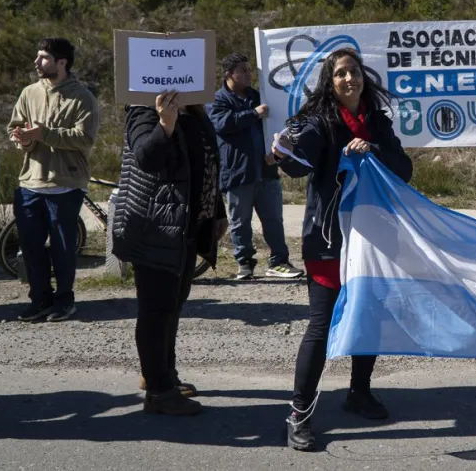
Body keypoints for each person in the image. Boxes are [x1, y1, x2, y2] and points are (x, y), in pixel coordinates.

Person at [273, 48, 412, 452]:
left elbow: (403, 169)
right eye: (340, 74)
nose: (349, 79)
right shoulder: (320, 121)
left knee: (368, 316)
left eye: (354, 72)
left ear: (363, 76)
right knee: (320, 326)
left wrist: (374, 152)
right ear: (329, 83)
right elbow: (300, 161)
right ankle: (298, 415)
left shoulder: (377, 122)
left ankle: (359, 392)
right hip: (329, 238)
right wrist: (284, 155)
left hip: (373, 238)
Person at [111, 90, 228, 416]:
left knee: (172, 306)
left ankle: (163, 375)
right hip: (155, 226)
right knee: (156, 309)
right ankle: (159, 391)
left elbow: (206, 162)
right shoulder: (142, 106)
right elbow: (147, 158)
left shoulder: (196, 107)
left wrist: (216, 210)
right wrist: (165, 122)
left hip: (187, 226)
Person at [7, 38, 100, 323]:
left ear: (62, 63)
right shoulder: (29, 92)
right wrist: (20, 138)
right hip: (30, 183)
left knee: (62, 248)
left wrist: (43, 133)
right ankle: (39, 299)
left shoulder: (83, 97)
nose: (37, 62)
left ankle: (64, 300)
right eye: (37, 57)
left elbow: (85, 138)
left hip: (65, 185)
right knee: (31, 248)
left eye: (44, 57)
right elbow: (14, 127)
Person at [207, 53, 303, 280]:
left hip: (267, 170)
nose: (249, 74)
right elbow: (222, 124)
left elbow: (277, 124)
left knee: (274, 220)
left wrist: (275, 152)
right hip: (238, 173)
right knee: (240, 222)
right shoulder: (217, 100)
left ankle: (279, 262)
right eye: (243, 70)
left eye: (250, 70)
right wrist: (253, 114)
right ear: (230, 74)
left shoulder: (259, 96)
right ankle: (245, 265)